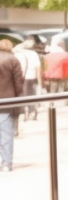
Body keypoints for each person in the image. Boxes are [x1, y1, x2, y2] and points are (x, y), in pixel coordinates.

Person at [0, 39, 24, 172]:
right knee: (6, 133)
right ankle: (6, 163)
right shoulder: (13, 60)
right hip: (7, 101)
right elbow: (18, 82)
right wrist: (19, 99)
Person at [13, 38, 41, 120]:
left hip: (20, 78)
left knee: (21, 96)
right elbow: (38, 69)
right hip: (31, 77)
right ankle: (31, 112)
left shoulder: (17, 54)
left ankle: (22, 113)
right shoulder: (34, 54)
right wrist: (40, 82)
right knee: (31, 95)